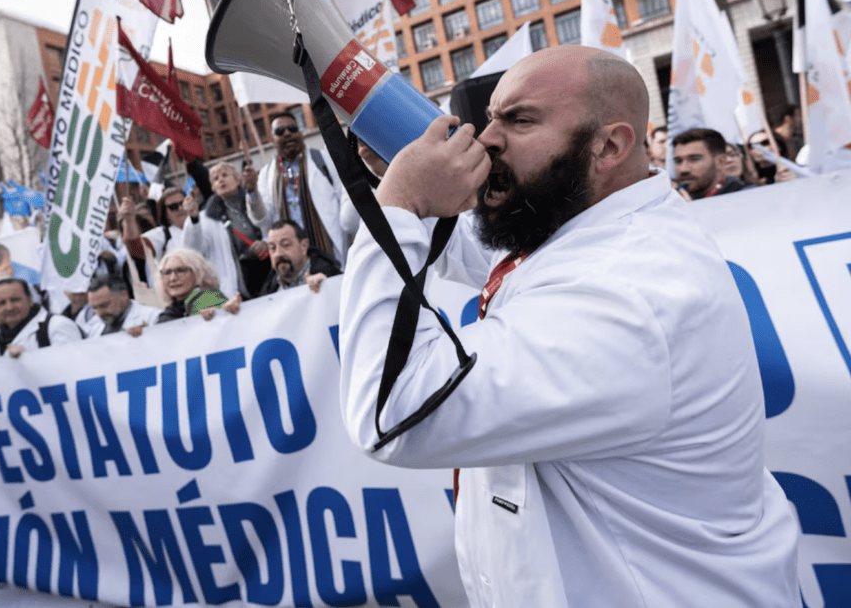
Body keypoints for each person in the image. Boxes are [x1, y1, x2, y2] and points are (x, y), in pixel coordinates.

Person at [338, 46, 799, 607]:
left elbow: (393, 409)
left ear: (608, 146)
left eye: (519, 120)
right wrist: (416, 183)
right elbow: (488, 252)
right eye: (492, 117)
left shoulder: (627, 292)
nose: (487, 138)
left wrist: (403, 204)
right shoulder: (594, 226)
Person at [244, 112, 348, 267]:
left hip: (328, 248)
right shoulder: (266, 174)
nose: (287, 133)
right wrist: (253, 192)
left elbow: (344, 199)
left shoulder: (323, 159)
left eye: (292, 128)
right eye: (280, 131)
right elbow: (263, 220)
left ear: (300, 133)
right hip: (291, 255)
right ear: (272, 140)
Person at [183, 162, 270, 299]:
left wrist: (266, 243)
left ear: (238, 180)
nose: (221, 180)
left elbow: (271, 225)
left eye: (225, 175)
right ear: (213, 187)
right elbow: (194, 251)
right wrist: (194, 220)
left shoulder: (257, 200)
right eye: (216, 179)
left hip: (270, 272)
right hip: (240, 286)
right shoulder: (206, 218)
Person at [0, 278, 83, 358]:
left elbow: (73, 366)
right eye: (1, 303)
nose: (9, 307)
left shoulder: (58, 325)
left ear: (30, 300)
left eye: (15, 300)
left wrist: (28, 358)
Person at [155, 247, 241, 323]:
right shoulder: (165, 316)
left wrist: (220, 313)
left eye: (181, 270)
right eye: (167, 272)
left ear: (198, 273)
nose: (173, 278)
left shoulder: (210, 299)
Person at [258, 219, 341, 296]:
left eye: (286, 245)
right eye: (273, 248)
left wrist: (327, 285)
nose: (278, 254)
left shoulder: (329, 275)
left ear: (303, 246)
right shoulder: (268, 290)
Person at [672, 127, 751, 199]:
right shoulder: (676, 199)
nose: (683, 169)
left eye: (694, 159)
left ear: (721, 161)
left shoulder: (747, 195)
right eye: (678, 161)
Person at [85, 273, 161, 338]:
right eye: (94, 308)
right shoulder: (93, 326)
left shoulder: (154, 318)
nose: (98, 313)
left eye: (104, 305)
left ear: (123, 296)